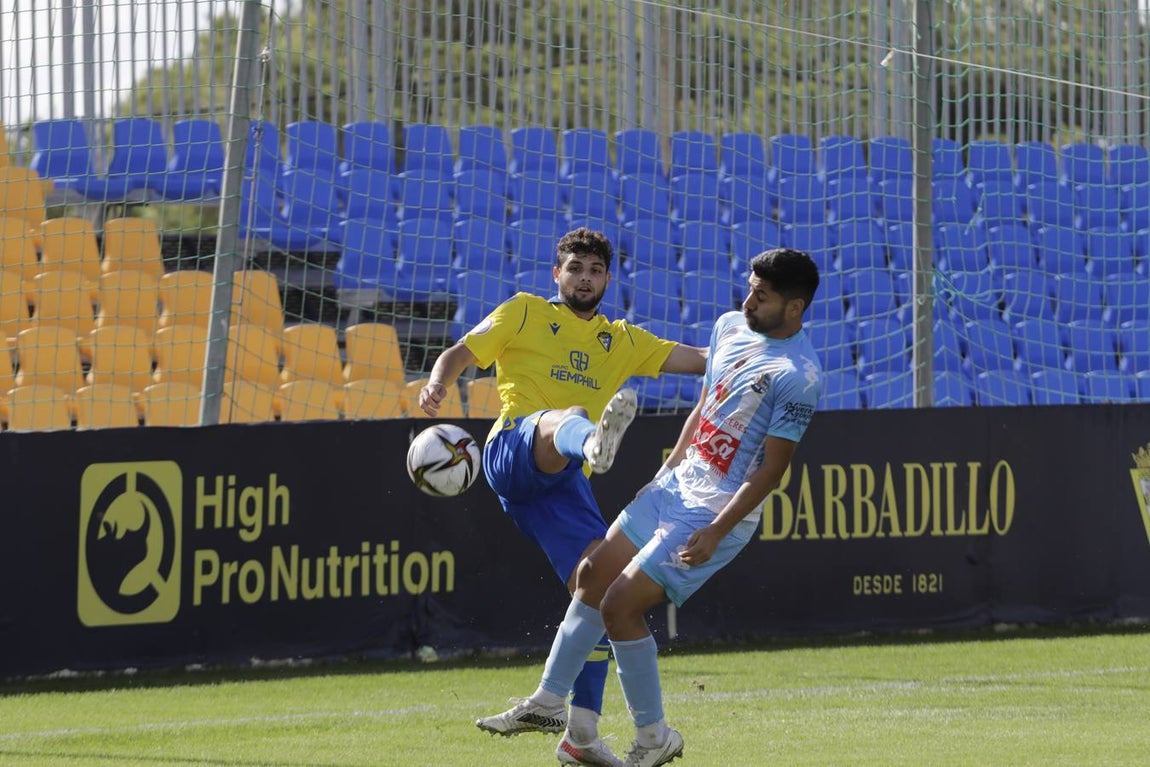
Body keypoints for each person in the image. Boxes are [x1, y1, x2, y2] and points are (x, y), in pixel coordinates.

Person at [482, 247, 822, 767]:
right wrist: (666, 472)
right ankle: (549, 704)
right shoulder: (730, 326)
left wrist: (716, 528)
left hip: (713, 508)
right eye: (750, 287)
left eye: (763, 294)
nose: (749, 298)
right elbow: (704, 410)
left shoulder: (798, 374)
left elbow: (771, 469)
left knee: (619, 606)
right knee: (592, 574)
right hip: (675, 485)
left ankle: (653, 737)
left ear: (794, 308)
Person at [419, 227, 708, 766]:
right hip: (513, 451)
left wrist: (749, 360)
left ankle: (580, 731)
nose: (585, 278)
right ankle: (592, 442)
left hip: (565, 485)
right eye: (575, 268)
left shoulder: (620, 340)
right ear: (558, 274)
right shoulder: (525, 311)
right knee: (570, 419)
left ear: (607, 279)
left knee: (600, 590)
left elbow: (697, 358)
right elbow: (461, 352)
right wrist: (438, 382)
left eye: (595, 271)